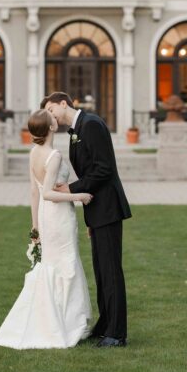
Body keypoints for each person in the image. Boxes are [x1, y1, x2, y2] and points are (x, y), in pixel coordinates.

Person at [0, 109, 93, 349]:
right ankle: (65, 323)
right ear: (52, 128)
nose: (56, 118)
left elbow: (34, 192)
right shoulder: (53, 155)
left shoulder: (34, 152)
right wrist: (80, 196)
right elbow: (46, 193)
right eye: (53, 118)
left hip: (47, 219)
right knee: (65, 264)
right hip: (58, 217)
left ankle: (55, 318)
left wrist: (35, 225)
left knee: (52, 265)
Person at [43, 91, 132, 348]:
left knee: (111, 271)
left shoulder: (91, 124)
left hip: (108, 208)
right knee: (101, 272)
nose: (51, 116)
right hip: (97, 210)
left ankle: (117, 334)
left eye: (51, 109)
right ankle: (105, 326)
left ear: (63, 103)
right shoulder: (76, 129)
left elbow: (104, 168)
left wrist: (71, 189)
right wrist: (90, 219)